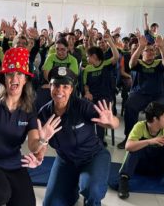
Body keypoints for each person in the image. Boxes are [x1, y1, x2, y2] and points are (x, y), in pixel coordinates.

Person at [0, 47, 60, 206]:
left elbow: (33, 146)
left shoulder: (28, 110)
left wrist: (43, 139)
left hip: (12, 165)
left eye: (19, 74)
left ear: (25, 80)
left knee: (27, 202)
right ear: (4, 78)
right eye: (10, 73)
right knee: (0, 191)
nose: (14, 78)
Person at [38, 66, 119, 206]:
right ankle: (72, 190)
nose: (60, 91)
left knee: (92, 190)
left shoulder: (82, 106)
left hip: (92, 157)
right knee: (51, 203)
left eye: (65, 86)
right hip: (65, 161)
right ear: (50, 86)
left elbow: (113, 124)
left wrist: (111, 122)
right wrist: (41, 146)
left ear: (71, 89)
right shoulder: (44, 113)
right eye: (56, 85)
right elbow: (41, 145)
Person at [118, 34, 164, 149]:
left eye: (152, 50)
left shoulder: (158, 63)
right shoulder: (138, 63)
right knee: (129, 107)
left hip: (158, 95)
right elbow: (131, 64)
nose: (150, 52)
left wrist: (162, 47)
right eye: (146, 50)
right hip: (139, 94)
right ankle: (129, 138)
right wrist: (140, 47)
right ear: (142, 53)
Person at [83, 32, 119, 144]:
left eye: (88, 56)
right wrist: (87, 92)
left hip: (105, 96)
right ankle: (87, 137)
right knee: (83, 109)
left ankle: (99, 139)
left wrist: (110, 42)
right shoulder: (87, 69)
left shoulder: (106, 64)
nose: (87, 58)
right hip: (92, 96)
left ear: (94, 56)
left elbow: (116, 57)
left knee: (101, 111)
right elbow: (85, 84)